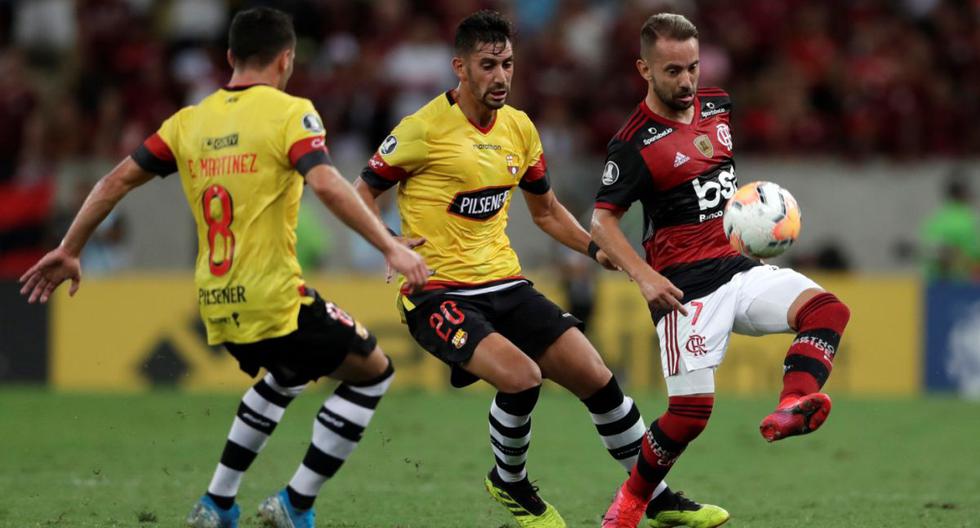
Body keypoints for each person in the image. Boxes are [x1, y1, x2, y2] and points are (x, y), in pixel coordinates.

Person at [19, 8, 430, 528]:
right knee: (374, 373)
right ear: (287, 59)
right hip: (275, 297)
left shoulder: (188, 121)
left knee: (287, 374)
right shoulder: (290, 113)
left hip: (216, 300)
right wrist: (390, 247)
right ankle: (295, 504)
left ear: (230, 57)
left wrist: (70, 247)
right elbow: (326, 184)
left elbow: (113, 182)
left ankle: (216, 502)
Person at [354, 10, 721, 528]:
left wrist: (601, 252)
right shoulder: (421, 130)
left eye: (507, 63)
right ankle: (510, 482)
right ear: (460, 67)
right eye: (488, 65)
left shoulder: (520, 129)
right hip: (437, 293)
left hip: (505, 282)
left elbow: (546, 212)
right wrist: (389, 244)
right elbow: (361, 192)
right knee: (523, 378)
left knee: (597, 377)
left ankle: (654, 497)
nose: (501, 76)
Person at [591, 13, 851, 527]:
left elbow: (711, 184)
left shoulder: (717, 105)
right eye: (672, 71)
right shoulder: (633, 144)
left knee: (828, 310)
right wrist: (644, 276)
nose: (686, 81)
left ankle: (793, 404)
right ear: (644, 69)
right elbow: (602, 223)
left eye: (692, 67)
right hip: (683, 290)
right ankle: (629, 505)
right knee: (690, 415)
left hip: (738, 267)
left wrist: (755, 214)